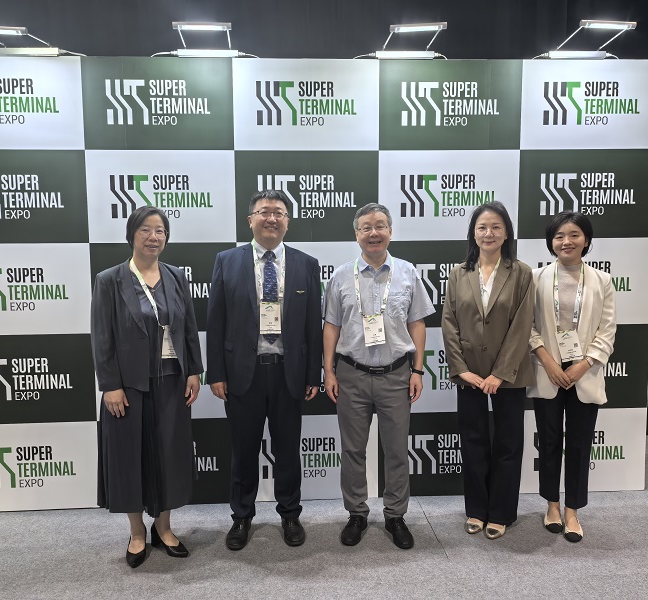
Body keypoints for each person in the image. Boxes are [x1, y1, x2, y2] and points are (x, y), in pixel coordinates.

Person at [206, 190, 322, 551]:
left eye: (279, 213)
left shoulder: (306, 264)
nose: (272, 218)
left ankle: (290, 514)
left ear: (288, 221)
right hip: (244, 373)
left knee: (288, 450)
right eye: (264, 212)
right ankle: (242, 516)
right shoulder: (227, 261)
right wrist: (216, 373)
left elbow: (312, 326)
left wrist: (313, 375)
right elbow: (215, 321)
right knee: (243, 451)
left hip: (289, 372)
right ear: (250, 220)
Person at [91, 206, 203, 568]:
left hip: (172, 383)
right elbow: (102, 337)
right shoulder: (109, 280)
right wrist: (110, 385)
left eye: (160, 231)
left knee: (169, 455)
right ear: (131, 235)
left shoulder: (176, 276)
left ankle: (164, 527)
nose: (153, 237)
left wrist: (194, 370)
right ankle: (137, 531)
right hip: (128, 388)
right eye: (145, 230)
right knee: (130, 458)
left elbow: (188, 328)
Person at [323, 203, 434, 550]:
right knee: (353, 450)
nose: (374, 233)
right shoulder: (341, 276)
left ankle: (395, 516)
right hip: (351, 375)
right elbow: (331, 326)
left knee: (397, 451)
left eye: (381, 226)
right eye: (366, 227)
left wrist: (418, 370)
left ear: (390, 231)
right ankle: (356, 513)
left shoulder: (407, 272)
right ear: (356, 234)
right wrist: (328, 370)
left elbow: (417, 323)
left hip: (396, 375)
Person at [440, 201, 534, 540]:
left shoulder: (521, 272)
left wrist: (501, 373)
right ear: (473, 233)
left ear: (506, 233)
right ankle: (476, 510)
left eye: (496, 227)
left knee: (508, 444)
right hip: (469, 375)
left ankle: (501, 512)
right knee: (473, 442)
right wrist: (460, 369)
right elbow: (449, 323)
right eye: (482, 227)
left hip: (509, 375)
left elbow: (522, 326)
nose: (489, 233)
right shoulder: (458, 273)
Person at [528, 211, 616, 543]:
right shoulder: (535, 278)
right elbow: (527, 327)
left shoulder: (602, 281)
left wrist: (583, 364)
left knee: (579, 445)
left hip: (585, 374)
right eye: (559, 236)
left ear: (586, 240)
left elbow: (607, 332)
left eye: (574, 234)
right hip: (547, 372)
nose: (567, 241)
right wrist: (548, 361)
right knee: (549, 442)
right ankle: (552, 505)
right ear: (551, 242)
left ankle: (572, 511)